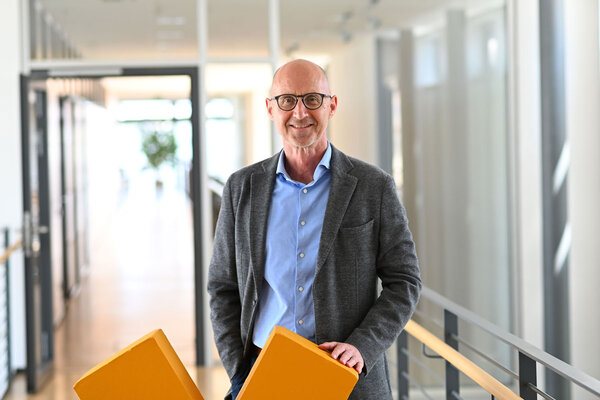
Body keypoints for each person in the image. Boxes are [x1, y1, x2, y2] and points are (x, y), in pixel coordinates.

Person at [207, 59, 421, 400]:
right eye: (287, 100)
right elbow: (222, 287)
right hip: (264, 373)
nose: (300, 112)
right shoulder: (242, 188)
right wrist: (239, 368)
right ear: (270, 109)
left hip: (347, 375)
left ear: (331, 105)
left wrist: (362, 347)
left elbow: (405, 281)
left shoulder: (372, 186)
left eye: (312, 99)